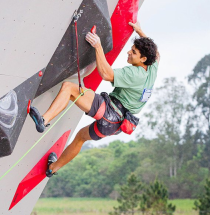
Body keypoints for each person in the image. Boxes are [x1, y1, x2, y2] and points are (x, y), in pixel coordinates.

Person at [29, 21, 159, 177]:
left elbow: (106, 74)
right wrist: (140, 32)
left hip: (109, 111)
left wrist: (98, 46)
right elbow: (157, 54)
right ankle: (52, 169)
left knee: (69, 88)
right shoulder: (152, 68)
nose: (128, 53)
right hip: (114, 126)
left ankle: (43, 120)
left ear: (143, 59)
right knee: (80, 138)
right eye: (131, 49)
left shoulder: (135, 74)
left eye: (134, 52)